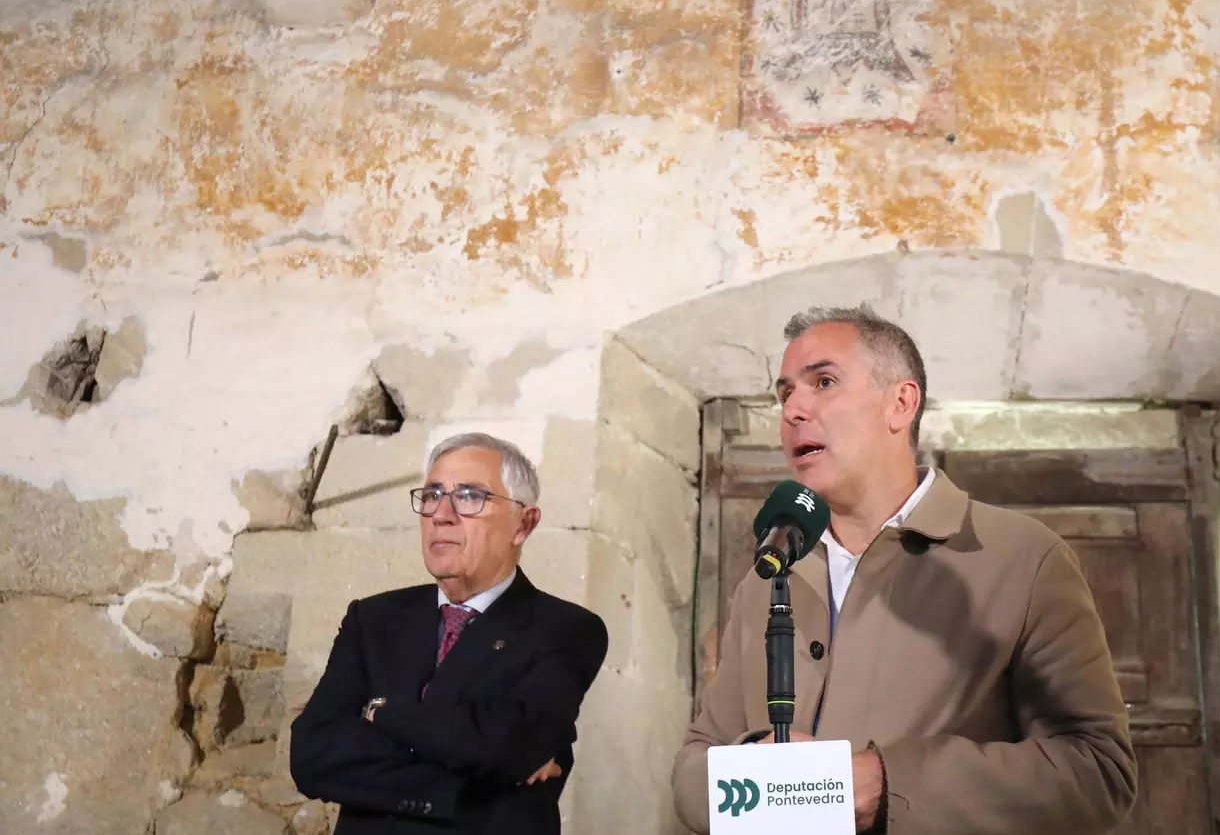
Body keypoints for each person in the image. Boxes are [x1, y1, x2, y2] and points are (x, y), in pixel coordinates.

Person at [669, 306, 1137, 834]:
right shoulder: (769, 574)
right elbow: (694, 765)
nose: (793, 409)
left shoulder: (1025, 558)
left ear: (900, 404)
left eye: (823, 382)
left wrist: (885, 785)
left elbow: (1099, 772)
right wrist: (756, 767)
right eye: (785, 394)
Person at [290, 432, 608, 834]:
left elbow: (509, 746)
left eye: (470, 496)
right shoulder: (372, 619)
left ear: (523, 524)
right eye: (432, 495)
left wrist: (381, 713)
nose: (441, 514)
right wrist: (460, 784)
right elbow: (311, 755)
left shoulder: (565, 629)